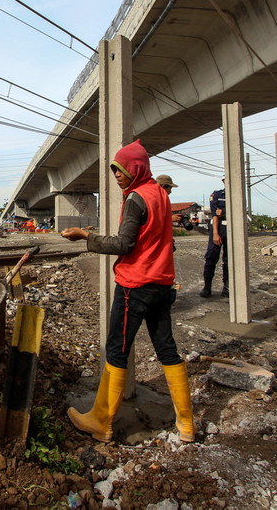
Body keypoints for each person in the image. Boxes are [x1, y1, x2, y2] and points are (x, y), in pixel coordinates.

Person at [60, 140, 195, 444]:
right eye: (114, 170)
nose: (117, 175)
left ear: (135, 168)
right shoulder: (160, 193)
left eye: (120, 169)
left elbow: (123, 244)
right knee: (167, 349)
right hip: (162, 284)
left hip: (134, 286)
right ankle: (186, 424)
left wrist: (86, 236)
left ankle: (101, 421)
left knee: (117, 350)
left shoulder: (136, 198)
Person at [200, 179, 227, 298]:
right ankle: (207, 287)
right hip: (218, 227)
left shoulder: (237, 194)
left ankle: (227, 287)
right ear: (223, 181)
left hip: (232, 227)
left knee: (229, 260)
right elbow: (215, 214)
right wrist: (216, 234)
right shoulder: (217, 195)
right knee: (211, 257)